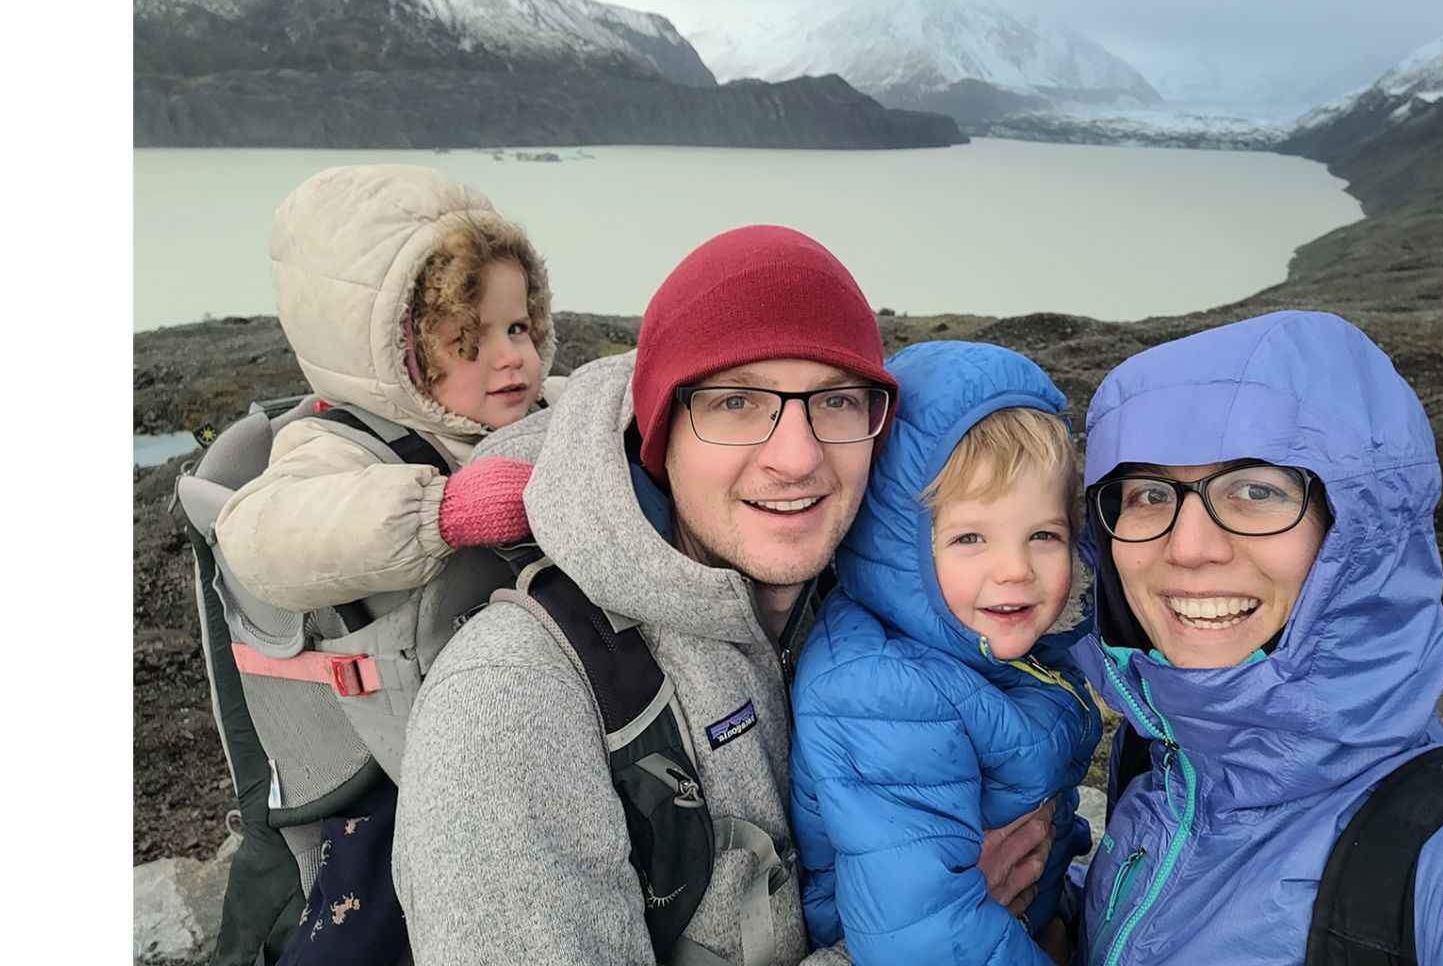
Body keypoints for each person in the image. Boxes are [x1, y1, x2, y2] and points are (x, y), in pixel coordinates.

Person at [393, 226, 1055, 965]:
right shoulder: (514, 702)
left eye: (835, 401)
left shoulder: (883, 601)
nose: (797, 458)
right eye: (736, 401)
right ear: (660, 428)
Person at [1068, 310, 1443, 965]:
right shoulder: (1163, 757)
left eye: (1257, 489)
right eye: (1146, 494)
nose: (1189, 548)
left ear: (1366, 532)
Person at [789, 340, 1102, 966]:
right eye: (969, 537)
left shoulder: (985, 645)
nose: (1015, 570)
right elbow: (929, 943)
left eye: (1043, 534)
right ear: (897, 542)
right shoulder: (884, 693)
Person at [216, 164, 556, 613]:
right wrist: (438, 513)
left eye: (517, 327)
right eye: (466, 341)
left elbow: (619, 402)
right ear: (399, 354)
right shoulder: (340, 447)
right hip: (439, 677)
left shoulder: (548, 402)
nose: (511, 356)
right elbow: (257, 539)